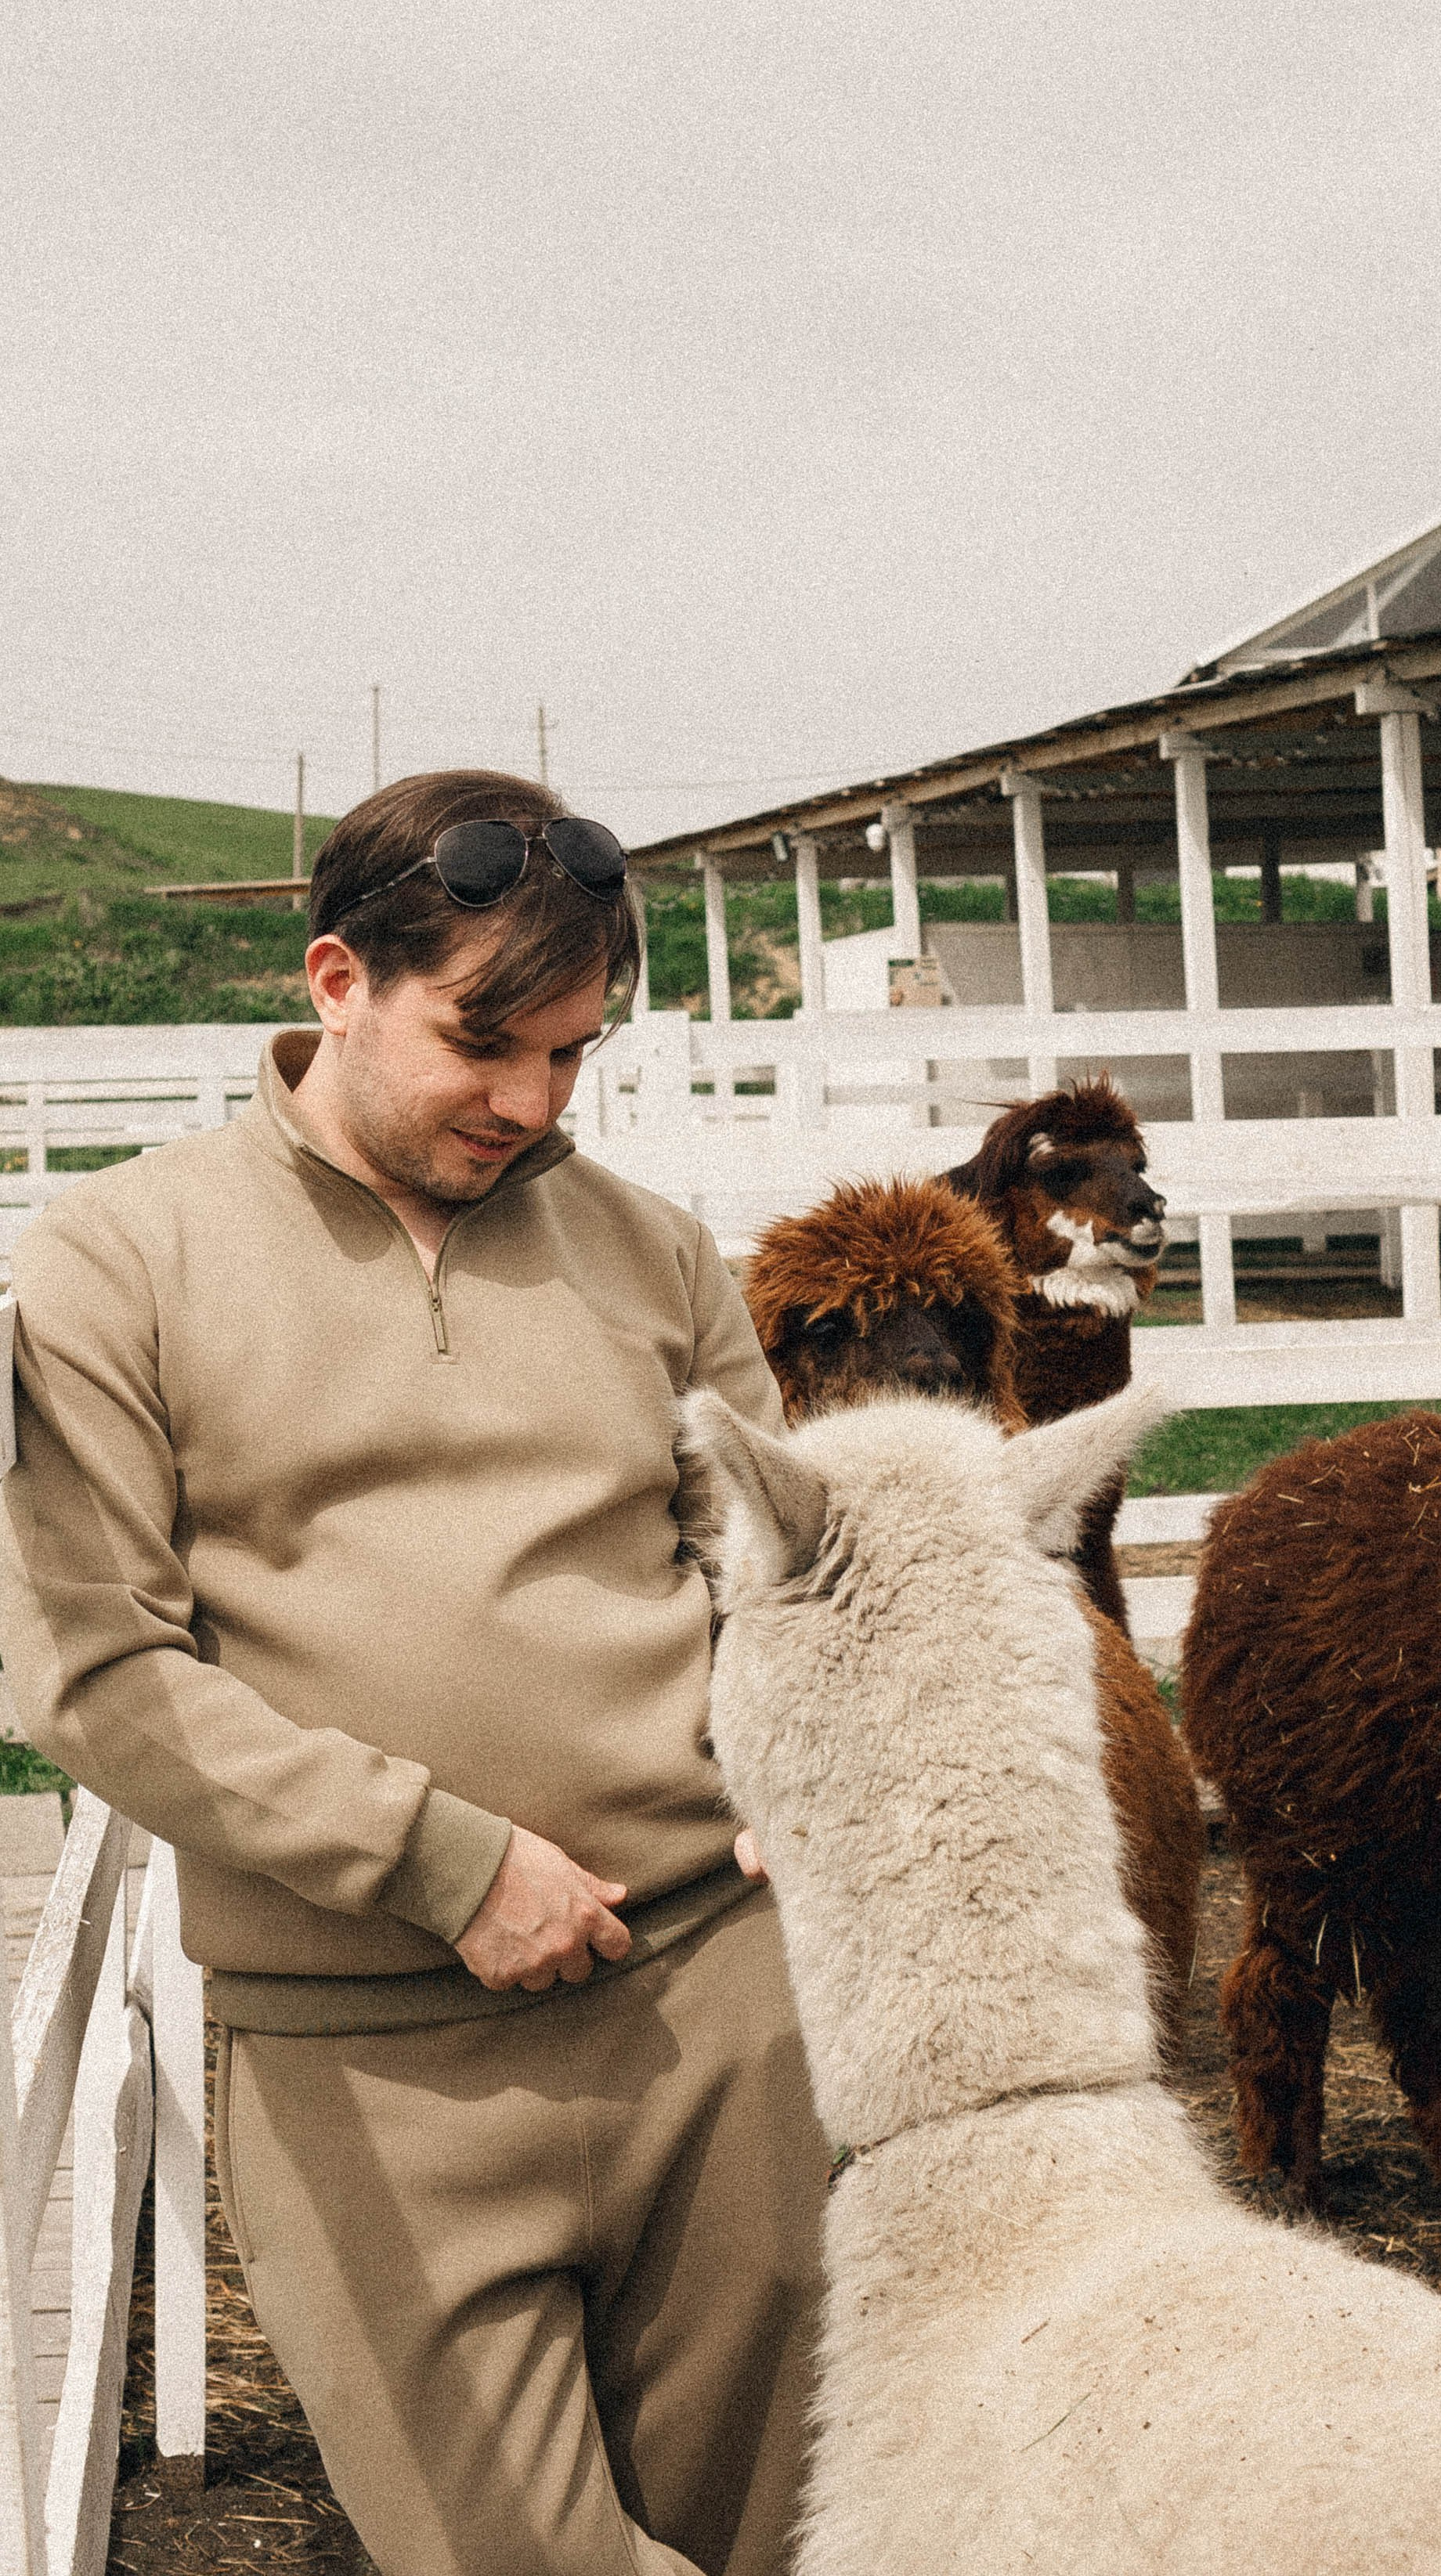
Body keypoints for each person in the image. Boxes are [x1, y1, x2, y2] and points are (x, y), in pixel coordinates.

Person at [0, 771, 828, 2576]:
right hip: (368, 2053)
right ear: (333, 979)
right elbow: (92, 1673)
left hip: (717, 2014)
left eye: (573, 1054)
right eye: (484, 1041)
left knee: (776, 2542)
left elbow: (776, 1566)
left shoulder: (653, 1252)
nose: (530, 1104)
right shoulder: (119, 1264)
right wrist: (447, 1860)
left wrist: (799, 1759)